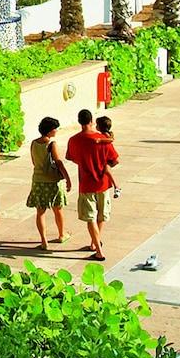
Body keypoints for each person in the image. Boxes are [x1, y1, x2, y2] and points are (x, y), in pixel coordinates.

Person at [64, 109, 120, 261]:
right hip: (103, 183)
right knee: (101, 215)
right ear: (92, 121)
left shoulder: (74, 140)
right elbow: (115, 160)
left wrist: (84, 162)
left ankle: (97, 247)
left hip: (86, 184)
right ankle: (95, 245)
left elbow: (71, 157)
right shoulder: (103, 140)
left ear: (79, 121)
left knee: (91, 218)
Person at [26, 116, 70, 247]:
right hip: (52, 181)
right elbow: (59, 163)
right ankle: (62, 234)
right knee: (58, 209)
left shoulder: (34, 143)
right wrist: (67, 178)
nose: (56, 130)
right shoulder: (51, 144)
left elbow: (34, 161)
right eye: (55, 128)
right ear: (50, 130)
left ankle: (44, 241)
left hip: (38, 180)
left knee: (40, 212)